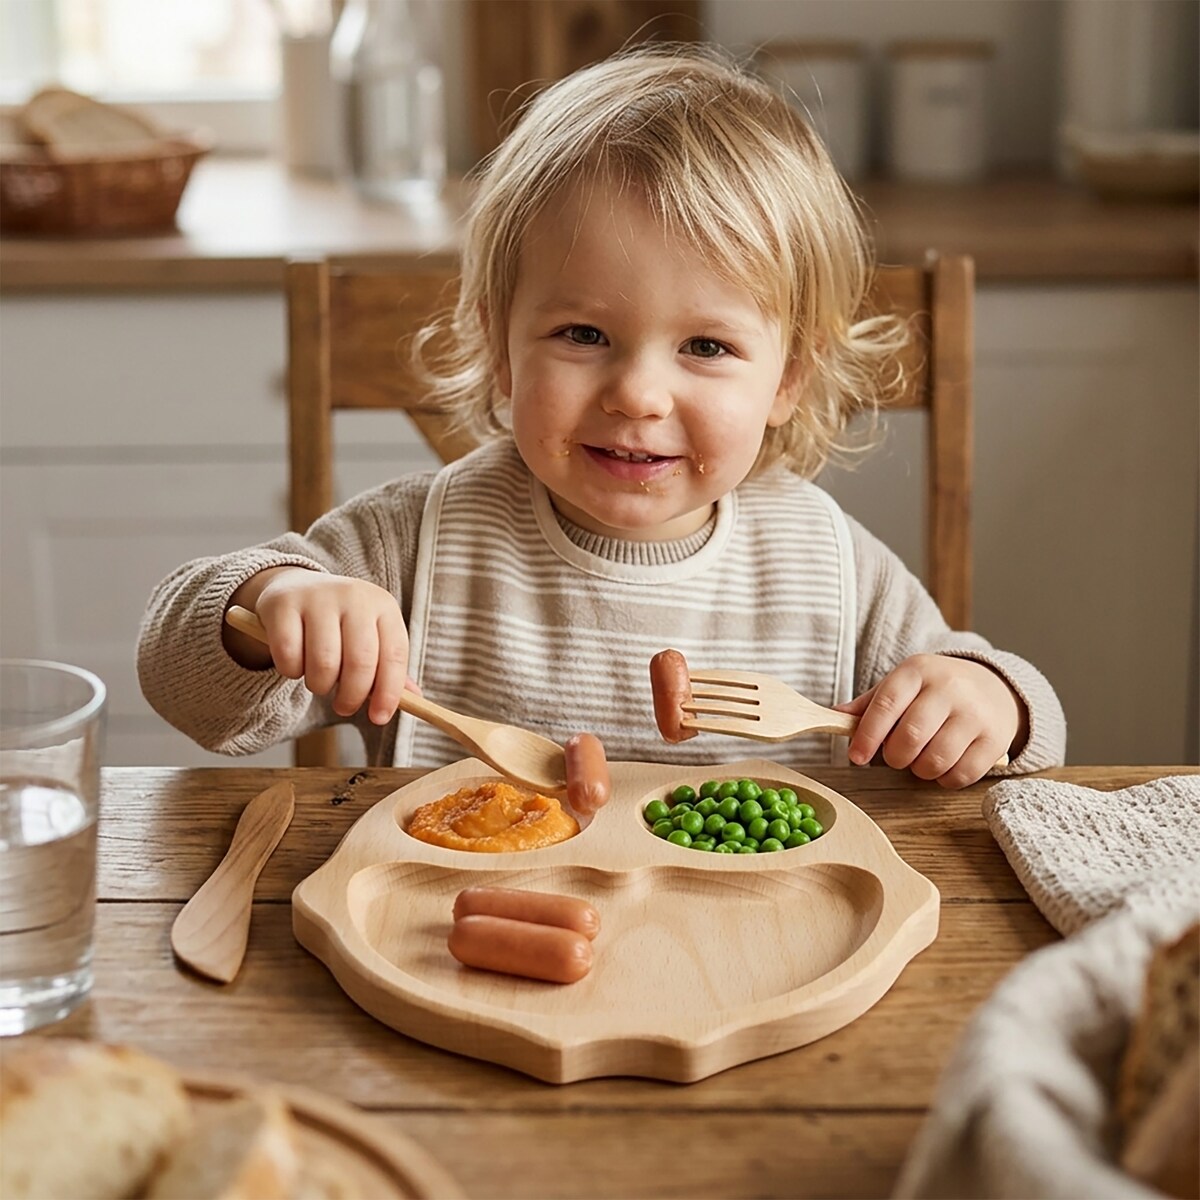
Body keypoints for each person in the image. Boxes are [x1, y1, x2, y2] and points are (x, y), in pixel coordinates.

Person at [138, 44, 1065, 788]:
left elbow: (1029, 731)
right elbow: (189, 691)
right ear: (501, 348)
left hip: (757, 968)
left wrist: (989, 703)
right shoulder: (414, 545)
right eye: (583, 332)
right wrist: (266, 602)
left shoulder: (830, 569)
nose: (638, 395)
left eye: (706, 347)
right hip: (463, 953)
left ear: (789, 378)